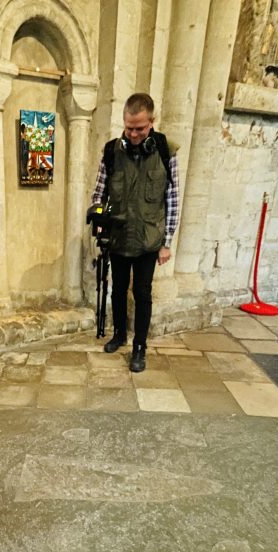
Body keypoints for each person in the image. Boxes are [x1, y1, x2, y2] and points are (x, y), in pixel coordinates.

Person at [91, 92, 180, 373]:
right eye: (129, 128)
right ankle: (119, 334)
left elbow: (173, 198)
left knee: (142, 293)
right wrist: (97, 215)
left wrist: (166, 243)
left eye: (139, 128)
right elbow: (99, 191)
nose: (133, 134)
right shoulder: (111, 151)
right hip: (119, 234)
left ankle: (140, 346)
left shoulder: (166, 150)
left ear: (152, 122)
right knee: (117, 289)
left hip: (148, 238)